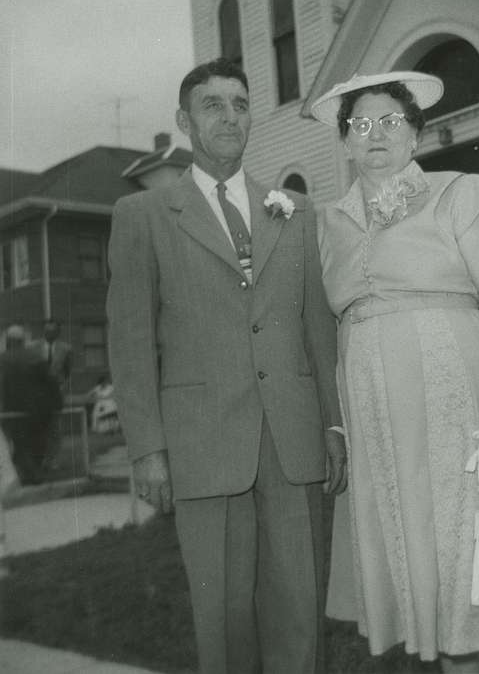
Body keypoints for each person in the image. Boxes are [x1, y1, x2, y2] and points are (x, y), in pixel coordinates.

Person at [310, 71, 479, 673]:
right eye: (361, 124)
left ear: (416, 136)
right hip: (384, 421)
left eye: (391, 121)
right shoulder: (329, 224)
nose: (375, 134)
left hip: (465, 402)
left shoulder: (457, 194)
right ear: (345, 141)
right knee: (436, 574)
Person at [106, 57, 346, 674]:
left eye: (240, 104)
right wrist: (146, 450)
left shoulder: (292, 210)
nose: (230, 116)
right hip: (201, 444)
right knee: (224, 617)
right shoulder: (143, 217)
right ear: (185, 120)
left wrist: (334, 422)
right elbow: (130, 344)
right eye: (213, 105)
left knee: (299, 608)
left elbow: (317, 327)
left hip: (291, 441)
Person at [0, 325, 62, 484]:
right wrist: (57, 404)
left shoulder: (3, 359)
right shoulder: (35, 357)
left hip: (12, 411)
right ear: (22, 341)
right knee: (37, 442)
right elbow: (51, 382)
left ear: (9, 341)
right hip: (38, 411)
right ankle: (33, 474)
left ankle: (28, 476)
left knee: (19, 444)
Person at [30, 318, 72, 469]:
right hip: (38, 395)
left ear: (58, 332)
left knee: (55, 428)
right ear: (43, 331)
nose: (49, 333)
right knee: (39, 428)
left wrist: (62, 389)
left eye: (53, 331)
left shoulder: (66, 349)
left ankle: (53, 460)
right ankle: (41, 459)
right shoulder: (33, 347)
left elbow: (67, 373)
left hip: (56, 394)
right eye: (47, 331)